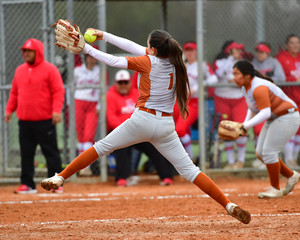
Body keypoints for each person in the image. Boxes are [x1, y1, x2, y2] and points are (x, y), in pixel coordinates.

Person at [41, 28, 251, 224]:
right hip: (166, 126)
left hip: (142, 120)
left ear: (154, 50)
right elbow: (131, 46)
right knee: (190, 171)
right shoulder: (176, 62)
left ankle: (60, 177)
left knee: (100, 147)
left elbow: (114, 60)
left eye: (148, 45)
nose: (144, 47)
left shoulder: (148, 62)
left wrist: (86, 48)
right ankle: (228, 204)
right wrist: (103, 35)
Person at [5, 38, 65, 194]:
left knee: (51, 153)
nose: (25, 54)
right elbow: (14, 93)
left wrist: (56, 110)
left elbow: (58, 91)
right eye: (24, 51)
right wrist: (9, 110)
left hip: (45, 120)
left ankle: (55, 183)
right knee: (26, 154)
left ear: (37, 52)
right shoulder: (19, 70)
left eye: (29, 51)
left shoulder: (50, 69)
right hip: (25, 121)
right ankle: (28, 184)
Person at [232, 60, 300, 198]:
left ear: (247, 75)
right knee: (260, 153)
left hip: (288, 116)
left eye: (237, 74)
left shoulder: (259, 87)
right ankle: (291, 176)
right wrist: (244, 125)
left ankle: (275, 188)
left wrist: (245, 126)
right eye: (233, 74)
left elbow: (265, 112)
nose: (234, 77)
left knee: (269, 153)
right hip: (276, 118)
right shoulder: (246, 87)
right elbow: (252, 108)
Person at [107, 70, 174, 186]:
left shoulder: (137, 93)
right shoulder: (111, 95)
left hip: (140, 131)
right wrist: (125, 129)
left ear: (129, 83)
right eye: (120, 83)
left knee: (156, 146)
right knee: (121, 148)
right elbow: (111, 117)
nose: (123, 85)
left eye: (125, 82)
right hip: (122, 132)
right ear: (116, 84)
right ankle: (121, 178)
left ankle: (166, 176)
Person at [173, 41, 217, 160]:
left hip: (194, 101)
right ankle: (188, 160)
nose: (189, 53)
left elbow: (214, 79)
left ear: (196, 52)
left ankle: (190, 160)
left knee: (179, 129)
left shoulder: (202, 65)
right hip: (179, 100)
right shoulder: (180, 64)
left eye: (192, 50)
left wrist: (197, 88)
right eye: (187, 50)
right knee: (182, 131)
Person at [213, 41, 248, 169]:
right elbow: (220, 74)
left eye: (239, 50)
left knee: (240, 128)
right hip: (222, 98)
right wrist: (230, 59)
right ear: (228, 51)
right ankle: (231, 162)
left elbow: (243, 78)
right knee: (227, 129)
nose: (239, 52)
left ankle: (240, 161)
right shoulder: (219, 62)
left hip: (239, 98)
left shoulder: (242, 63)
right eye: (235, 50)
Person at [251, 42, 286, 155]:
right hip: (257, 100)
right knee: (258, 129)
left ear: (267, 53)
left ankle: (273, 156)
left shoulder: (274, 62)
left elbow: (282, 79)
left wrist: (266, 79)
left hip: (272, 100)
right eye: (258, 52)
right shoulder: (253, 64)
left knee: (273, 128)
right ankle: (259, 156)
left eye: (262, 52)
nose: (259, 54)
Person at [74, 45, 100, 176]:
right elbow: (70, 88)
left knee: (88, 135)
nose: (91, 59)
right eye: (89, 56)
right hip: (78, 102)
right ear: (85, 57)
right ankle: (80, 165)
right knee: (80, 135)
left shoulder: (100, 71)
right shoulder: (78, 70)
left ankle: (86, 166)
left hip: (93, 104)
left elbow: (104, 90)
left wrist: (100, 105)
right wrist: (69, 105)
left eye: (94, 56)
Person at [276, 34, 300, 168]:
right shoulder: (281, 58)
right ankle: (289, 160)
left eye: (297, 42)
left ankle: (294, 160)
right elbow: (280, 78)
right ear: (287, 45)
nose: (295, 45)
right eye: (292, 43)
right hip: (289, 99)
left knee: (299, 130)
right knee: (291, 128)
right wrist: (293, 81)